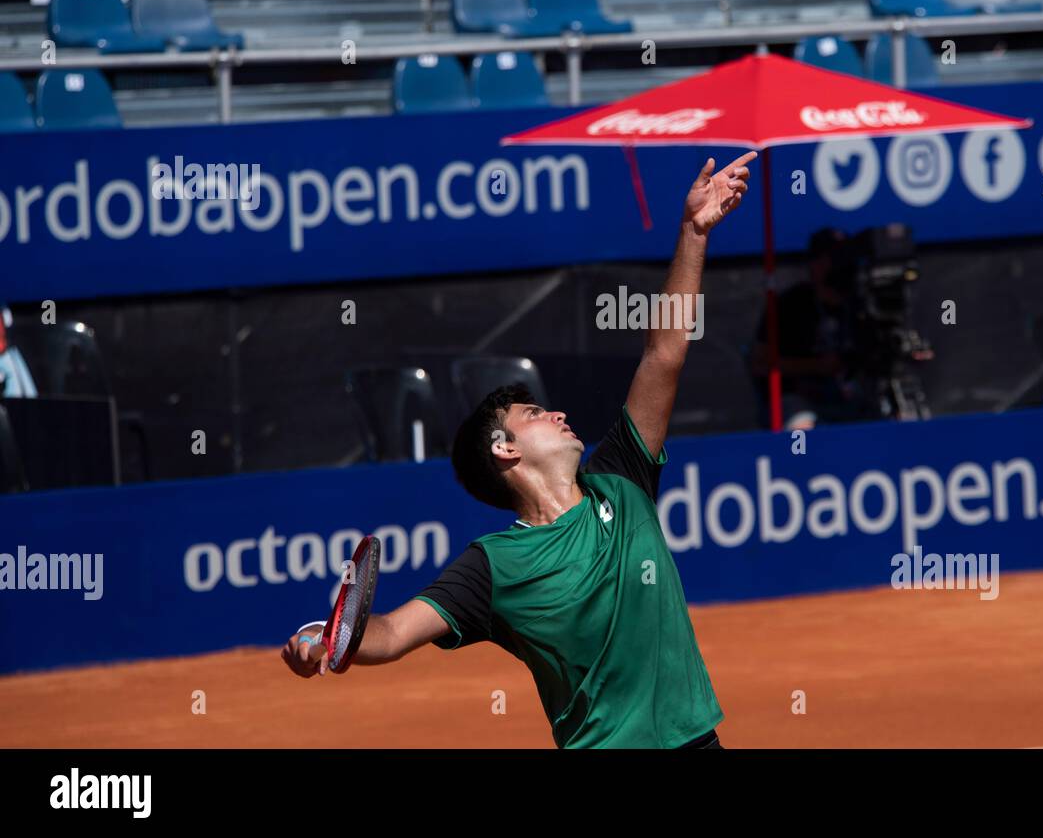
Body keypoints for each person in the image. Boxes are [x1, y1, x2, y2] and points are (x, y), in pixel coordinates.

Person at [282, 151, 756, 749]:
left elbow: (664, 353)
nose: (558, 413)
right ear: (505, 450)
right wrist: (328, 639)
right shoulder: (493, 567)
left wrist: (692, 233)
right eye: (535, 413)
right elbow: (394, 632)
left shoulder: (623, 481)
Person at [748, 227, 859, 429]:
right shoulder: (791, 304)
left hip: (852, 396)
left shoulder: (860, 302)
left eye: (843, 258)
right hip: (799, 400)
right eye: (831, 258)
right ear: (815, 264)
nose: (839, 266)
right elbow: (760, 363)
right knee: (803, 426)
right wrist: (815, 366)